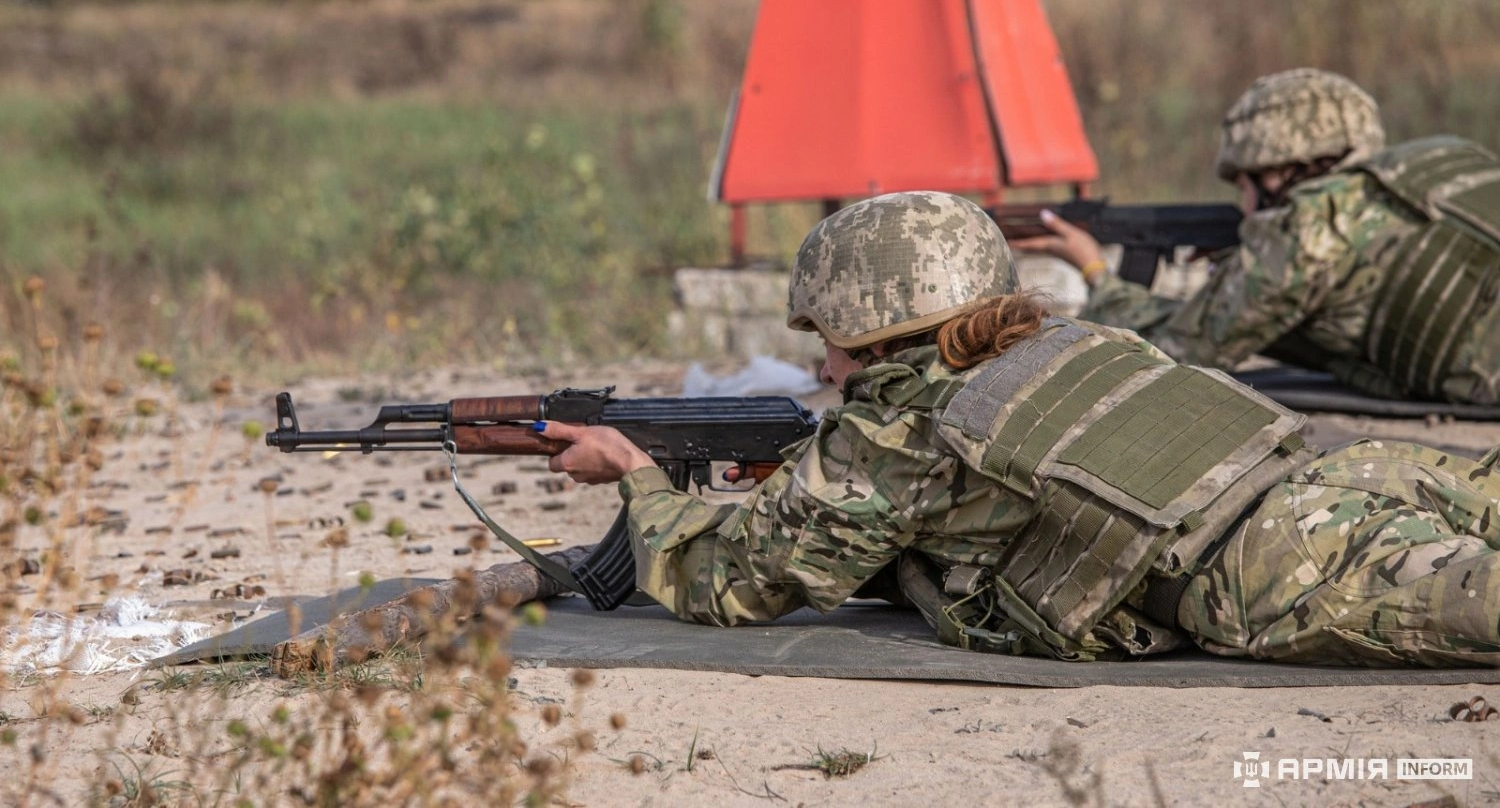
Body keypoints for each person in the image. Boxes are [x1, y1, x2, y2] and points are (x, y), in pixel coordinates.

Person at [536, 190, 1500, 667]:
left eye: (826, 339)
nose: (824, 368)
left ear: (870, 328)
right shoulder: (1070, 336)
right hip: (1354, 474)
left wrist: (636, 477)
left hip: (1280, 565)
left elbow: (731, 586)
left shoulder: (895, 433)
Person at [1011, 68, 1500, 405]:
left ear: (1275, 173)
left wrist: (1094, 270)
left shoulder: (1313, 225)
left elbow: (1177, 354)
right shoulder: (1445, 154)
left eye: (1242, 182)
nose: (1243, 203)